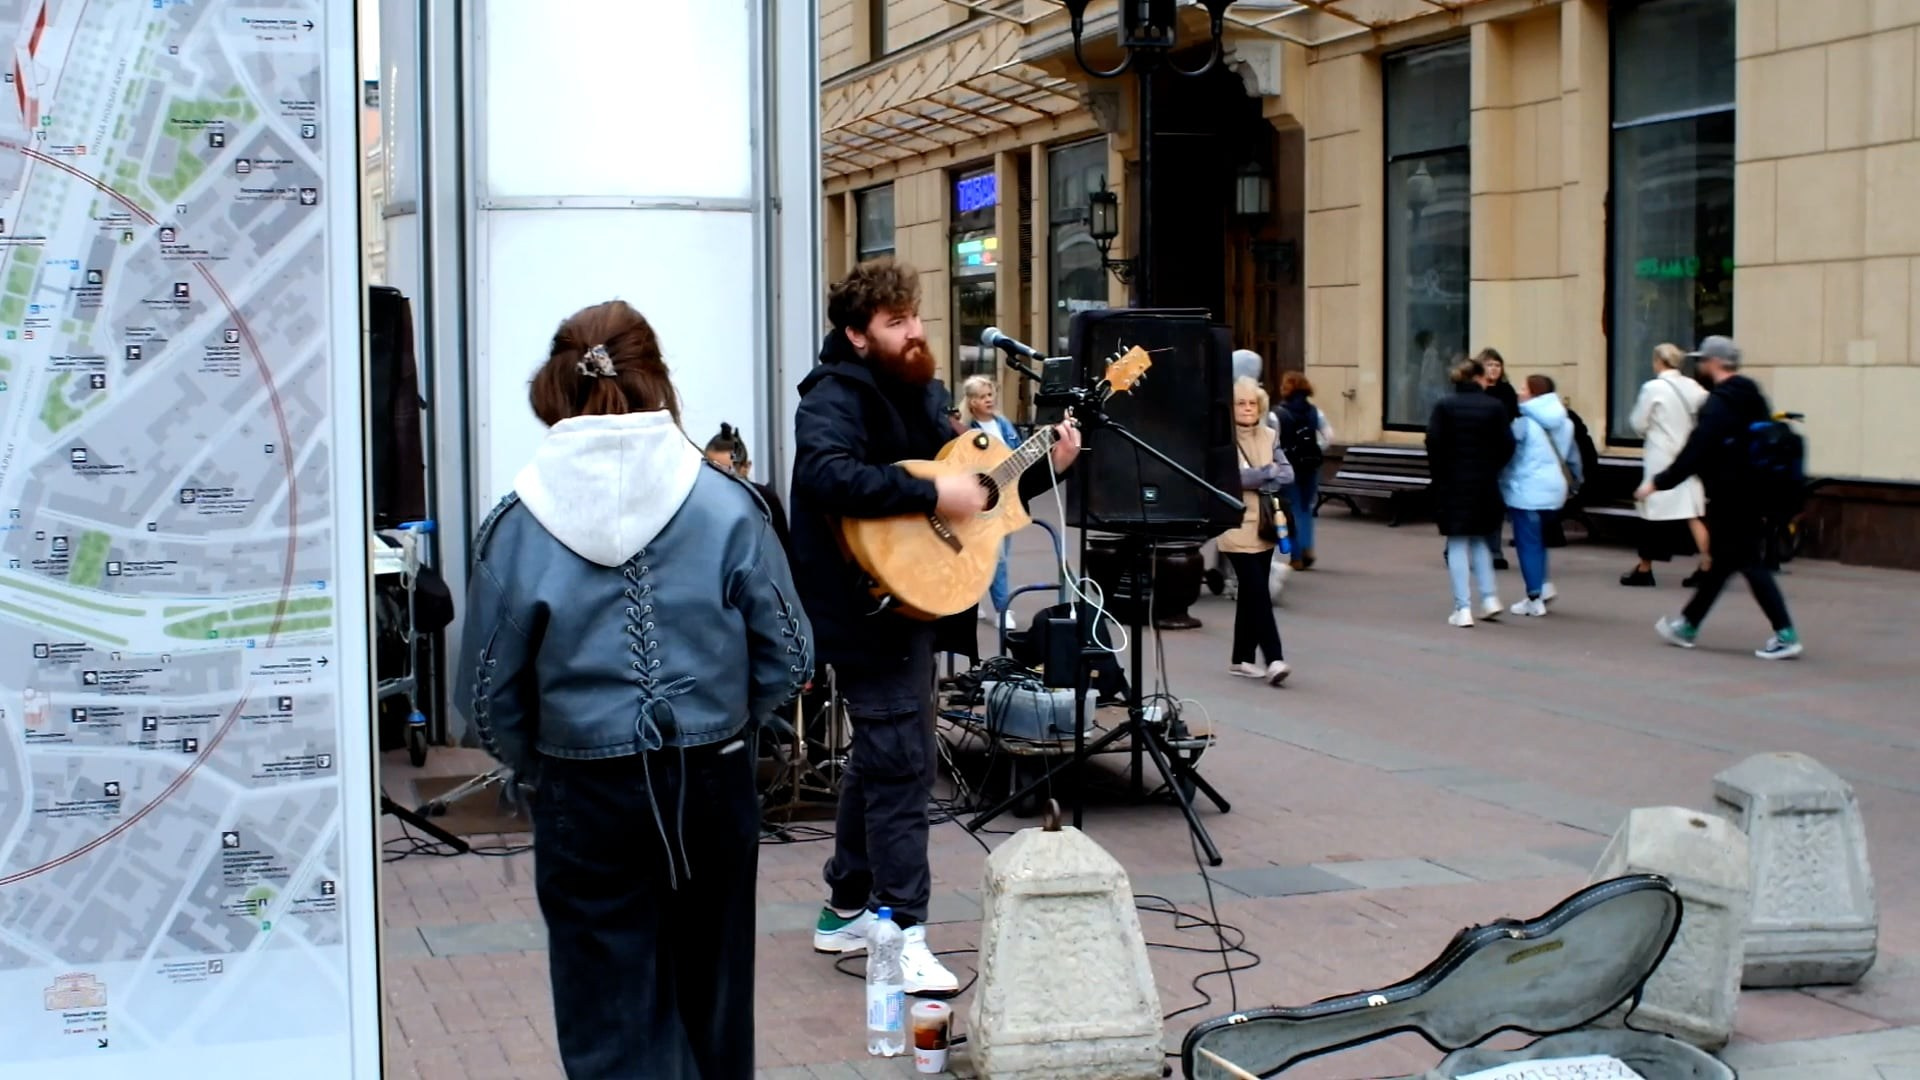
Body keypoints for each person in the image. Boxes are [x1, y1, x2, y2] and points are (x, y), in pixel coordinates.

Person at [458, 300, 812, 1079]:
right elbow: (788, 652)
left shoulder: (517, 525)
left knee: (609, 1016)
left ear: (555, 384)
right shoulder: (728, 504)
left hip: (583, 788)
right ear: (659, 378)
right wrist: (733, 724)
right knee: (713, 1008)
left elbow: (487, 696)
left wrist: (539, 761)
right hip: (713, 780)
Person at [791, 258, 1080, 994]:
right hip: (866, 606)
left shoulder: (921, 393)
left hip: (916, 601)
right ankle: (901, 931)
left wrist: (1049, 466)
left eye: (916, 317)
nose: (915, 330)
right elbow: (826, 474)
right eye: (896, 322)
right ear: (857, 335)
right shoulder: (836, 394)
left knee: (883, 756)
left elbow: (982, 492)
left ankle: (848, 907)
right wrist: (928, 489)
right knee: (902, 765)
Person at [1636, 336, 1803, 659]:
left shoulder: (1719, 403)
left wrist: (1658, 482)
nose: (1699, 366)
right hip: (1754, 491)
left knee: (1748, 563)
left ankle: (1785, 634)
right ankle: (1687, 625)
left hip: (1730, 495)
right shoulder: (1752, 394)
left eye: (1702, 360)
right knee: (1723, 562)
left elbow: (1698, 449)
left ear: (1713, 362)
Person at [1426, 357, 1515, 627]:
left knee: (1456, 542)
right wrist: (1491, 467)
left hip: (1453, 482)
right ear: (1478, 378)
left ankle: (1462, 608)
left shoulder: (1444, 406)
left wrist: (1441, 475)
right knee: (1481, 541)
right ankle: (1490, 598)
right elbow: (1507, 444)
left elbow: (1433, 443)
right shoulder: (1495, 406)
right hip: (1485, 481)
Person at [1219, 376, 1294, 685]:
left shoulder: (1269, 434)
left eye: (1252, 403)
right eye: (1241, 403)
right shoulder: (1222, 438)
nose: (1247, 408)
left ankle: (1241, 659)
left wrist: (1258, 476)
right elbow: (1231, 479)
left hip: (1264, 523)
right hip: (1235, 524)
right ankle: (1274, 658)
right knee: (1258, 592)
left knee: (1253, 593)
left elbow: (1287, 473)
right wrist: (1266, 473)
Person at [1623, 344, 1710, 587]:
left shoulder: (1653, 388)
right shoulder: (1694, 387)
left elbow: (1638, 422)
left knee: (1651, 510)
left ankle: (1644, 568)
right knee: (1693, 513)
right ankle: (1707, 565)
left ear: (1658, 362)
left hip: (1661, 455)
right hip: (1688, 455)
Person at [1500, 375, 1581, 617]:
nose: (1519, 392)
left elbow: (1508, 453)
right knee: (1540, 541)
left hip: (1526, 490)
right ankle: (1543, 585)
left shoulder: (1523, 423)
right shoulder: (1566, 422)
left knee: (1528, 543)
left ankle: (1534, 597)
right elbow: (1574, 458)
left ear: (1534, 393)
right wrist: (1575, 484)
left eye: (1524, 388)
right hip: (1556, 490)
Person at [958, 373, 1021, 631]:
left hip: (1006, 499)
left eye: (990, 395)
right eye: (983, 396)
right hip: (981, 502)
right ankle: (1002, 609)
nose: (989, 400)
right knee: (998, 557)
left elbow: (1018, 453)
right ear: (972, 402)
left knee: (988, 555)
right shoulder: (966, 429)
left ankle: (971, 601)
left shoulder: (1003, 423)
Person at [704, 422, 792, 557]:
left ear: (746, 467)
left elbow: (785, 558)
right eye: (712, 471)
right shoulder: (701, 504)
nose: (719, 481)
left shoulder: (764, 502)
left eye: (728, 473)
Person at [1276, 371, 1332, 571]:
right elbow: (1328, 437)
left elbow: (1273, 441)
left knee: (1291, 510)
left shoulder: (1278, 414)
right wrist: (1314, 449)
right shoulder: (1316, 412)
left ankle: (1296, 556)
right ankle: (1308, 547)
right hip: (1311, 466)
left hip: (1289, 467)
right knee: (1306, 508)